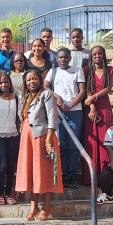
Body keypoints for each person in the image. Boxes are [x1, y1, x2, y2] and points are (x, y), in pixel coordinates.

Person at [16, 69, 63, 220]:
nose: (32, 82)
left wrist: (49, 140)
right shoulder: (24, 96)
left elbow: (53, 119)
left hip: (43, 139)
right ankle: (33, 207)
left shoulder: (47, 94)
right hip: (27, 139)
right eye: (28, 79)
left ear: (40, 80)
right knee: (31, 173)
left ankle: (47, 207)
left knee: (45, 173)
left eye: (34, 79)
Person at [46, 47, 85, 188]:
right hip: (58, 112)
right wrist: (58, 97)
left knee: (74, 144)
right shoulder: (53, 71)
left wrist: (70, 105)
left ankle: (73, 175)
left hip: (75, 111)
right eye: (60, 57)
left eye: (65, 57)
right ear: (57, 59)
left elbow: (82, 91)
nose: (63, 59)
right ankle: (62, 175)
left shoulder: (77, 70)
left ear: (70, 58)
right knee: (61, 144)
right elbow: (45, 87)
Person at [83, 45, 113, 188]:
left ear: (103, 55)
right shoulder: (86, 70)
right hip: (91, 109)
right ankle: (91, 178)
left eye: (100, 53)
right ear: (91, 55)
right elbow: (86, 91)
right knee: (92, 142)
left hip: (105, 108)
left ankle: (106, 177)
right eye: (94, 54)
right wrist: (92, 107)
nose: (97, 56)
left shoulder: (110, 70)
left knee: (105, 141)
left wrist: (94, 97)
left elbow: (109, 88)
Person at [0, 73, 20, 205]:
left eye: (6, 82)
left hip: (13, 134)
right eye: (1, 83)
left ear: (9, 83)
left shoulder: (16, 98)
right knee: (2, 164)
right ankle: (0, 193)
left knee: (11, 165)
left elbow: (19, 118)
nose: (4, 85)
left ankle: (9, 193)